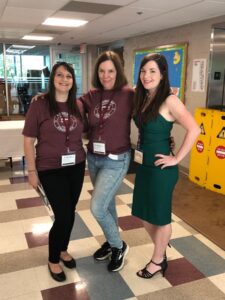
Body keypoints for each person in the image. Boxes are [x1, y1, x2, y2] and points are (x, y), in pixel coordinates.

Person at [132, 53, 200, 279]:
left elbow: (194, 129)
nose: (146, 76)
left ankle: (157, 260)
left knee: (160, 217)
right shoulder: (142, 96)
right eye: (143, 71)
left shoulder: (169, 100)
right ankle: (161, 248)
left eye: (152, 71)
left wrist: (177, 158)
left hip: (162, 170)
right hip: (143, 166)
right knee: (144, 214)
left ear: (162, 75)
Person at [23, 62, 86, 282]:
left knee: (71, 211)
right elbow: (29, 140)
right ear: (52, 79)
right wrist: (32, 171)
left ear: (73, 80)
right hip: (50, 168)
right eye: (59, 75)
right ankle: (52, 258)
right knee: (63, 215)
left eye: (68, 76)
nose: (64, 79)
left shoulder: (77, 104)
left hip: (76, 166)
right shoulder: (39, 105)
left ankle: (62, 249)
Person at [79, 51, 134, 272]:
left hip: (116, 159)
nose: (106, 75)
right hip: (93, 158)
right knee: (108, 204)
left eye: (110, 70)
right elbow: (72, 105)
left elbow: (152, 101)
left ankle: (119, 246)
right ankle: (112, 242)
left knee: (97, 207)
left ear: (117, 71)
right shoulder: (92, 95)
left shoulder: (129, 94)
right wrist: (46, 98)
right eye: (102, 71)